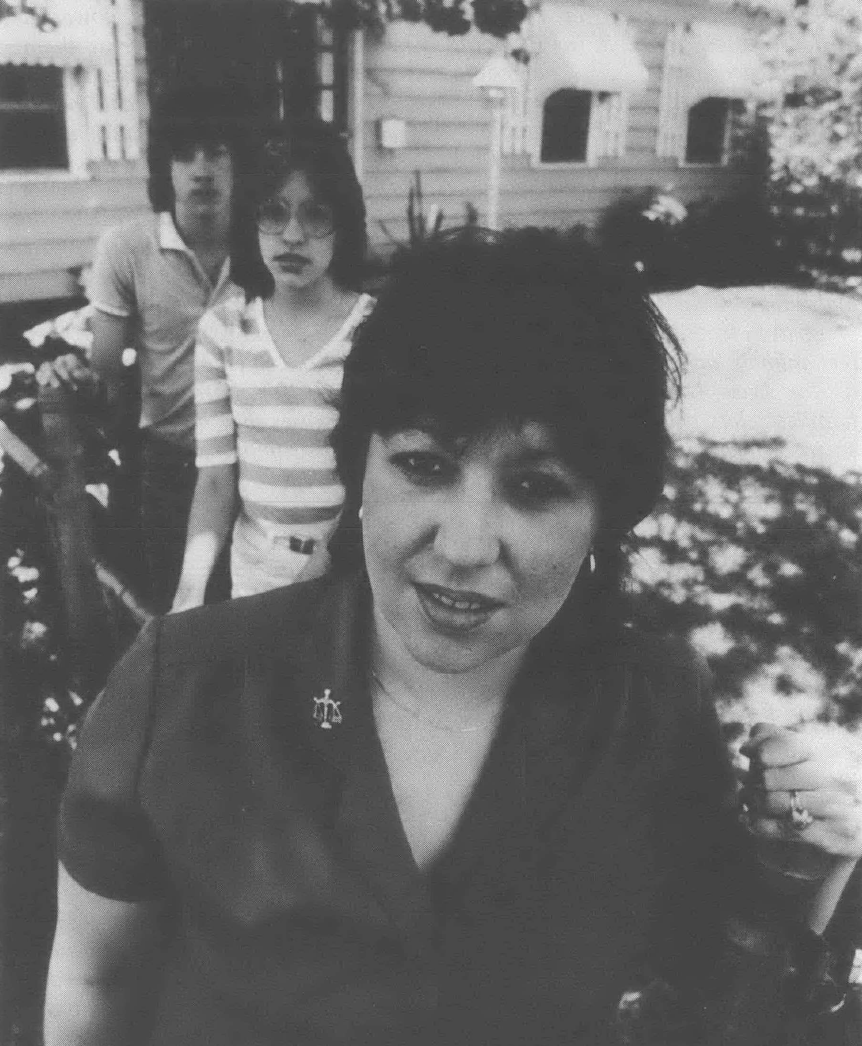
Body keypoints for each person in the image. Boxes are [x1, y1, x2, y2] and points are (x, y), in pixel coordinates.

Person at [45, 231, 862, 1046]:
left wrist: (795, 873)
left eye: (535, 487)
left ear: (606, 515)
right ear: (357, 464)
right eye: (425, 465)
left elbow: (713, 988)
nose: (467, 545)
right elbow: (96, 977)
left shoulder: (655, 706)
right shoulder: (180, 687)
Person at [38, 86, 246, 612]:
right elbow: (105, 367)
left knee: (257, 620)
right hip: (170, 468)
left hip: (260, 468)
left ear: (238, 162)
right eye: (185, 154)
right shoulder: (128, 249)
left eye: (217, 151)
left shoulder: (268, 247)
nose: (202, 170)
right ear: (164, 167)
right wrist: (75, 371)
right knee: (175, 617)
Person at [171, 119, 373, 610]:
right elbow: (216, 481)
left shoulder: (374, 329)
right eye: (273, 212)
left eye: (315, 214)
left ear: (342, 224)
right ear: (249, 220)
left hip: (353, 571)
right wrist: (190, 590)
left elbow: (384, 478)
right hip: (256, 574)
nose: (293, 234)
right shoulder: (223, 331)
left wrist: (333, 559)